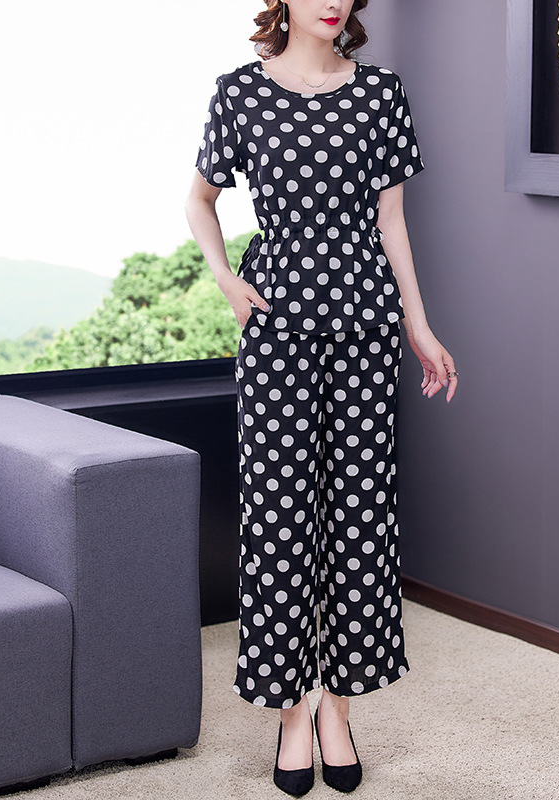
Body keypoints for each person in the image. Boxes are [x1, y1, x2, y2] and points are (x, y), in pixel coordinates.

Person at [185, 0, 458, 794]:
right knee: (277, 520)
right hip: (276, 329)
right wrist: (226, 280)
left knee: (360, 516)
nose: (332, 0)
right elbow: (199, 199)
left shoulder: (381, 92)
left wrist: (418, 325)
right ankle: (290, 715)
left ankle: (337, 707)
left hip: (366, 324)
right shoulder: (239, 92)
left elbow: (391, 221)